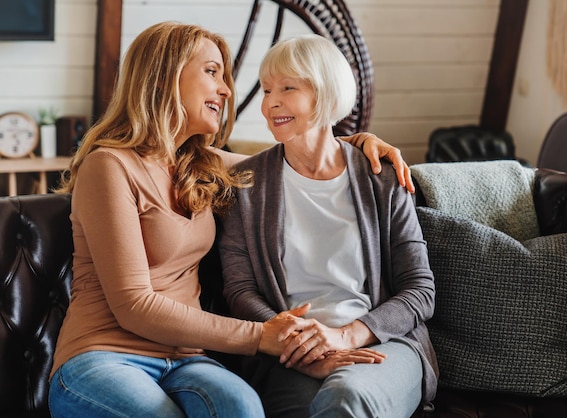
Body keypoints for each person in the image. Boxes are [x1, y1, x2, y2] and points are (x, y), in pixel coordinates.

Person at [47, 22, 414, 418]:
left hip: (186, 361)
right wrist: (263, 336)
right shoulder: (109, 166)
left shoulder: (202, 163)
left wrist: (359, 146)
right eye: (211, 72)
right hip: (103, 355)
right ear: (164, 75)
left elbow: (302, 159)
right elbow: (134, 305)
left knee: (242, 406)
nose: (225, 90)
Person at [218, 34, 438, 418]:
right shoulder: (248, 184)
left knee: (345, 399)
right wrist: (295, 340)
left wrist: (345, 334)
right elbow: (240, 289)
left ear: (324, 92)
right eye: (267, 88)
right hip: (291, 354)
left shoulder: (381, 178)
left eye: (288, 87)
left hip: (382, 344)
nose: (271, 102)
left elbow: (420, 291)